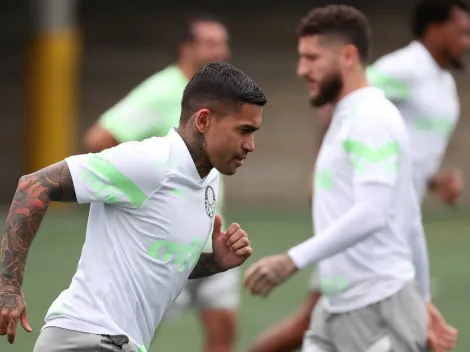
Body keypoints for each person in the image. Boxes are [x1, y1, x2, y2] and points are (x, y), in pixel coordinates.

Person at [246, 0, 470, 351]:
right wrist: (424, 300)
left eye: (312, 58)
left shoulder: (371, 116)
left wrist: (291, 260)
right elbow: (407, 212)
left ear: (348, 57)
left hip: (377, 304)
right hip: (341, 304)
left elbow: (379, 212)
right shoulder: (352, 115)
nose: (301, 70)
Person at [0, 62, 267, 352]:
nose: (251, 145)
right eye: (244, 130)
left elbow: (160, 265)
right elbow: (35, 185)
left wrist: (216, 261)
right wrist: (8, 287)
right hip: (88, 339)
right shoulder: (149, 162)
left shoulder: (208, 178)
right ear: (203, 121)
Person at [83, 15, 240, 352]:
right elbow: (99, 138)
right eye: (211, 43)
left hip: (211, 231)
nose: (221, 51)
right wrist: (146, 193)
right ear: (187, 48)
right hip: (163, 237)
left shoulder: (221, 96)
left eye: (223, 42)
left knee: (223, 326)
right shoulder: (162, 90)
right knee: (135, 332)